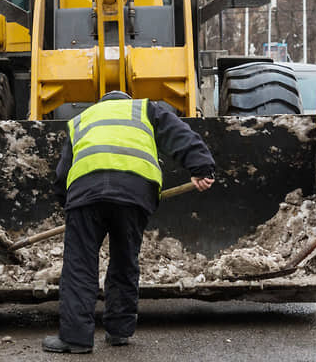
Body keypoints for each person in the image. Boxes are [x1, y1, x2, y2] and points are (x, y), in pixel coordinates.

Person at [42, 91, 216, 354]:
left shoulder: (82, 119)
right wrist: (200, 167)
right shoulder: (144, 109)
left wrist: (68, 203)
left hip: (85, 193)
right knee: (125, 260)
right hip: (134, 193)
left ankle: (75, 339)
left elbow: (63, 171)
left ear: (102, 103)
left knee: (80, 264)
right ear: (127, 100)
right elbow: (179, 134)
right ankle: (119, 331)